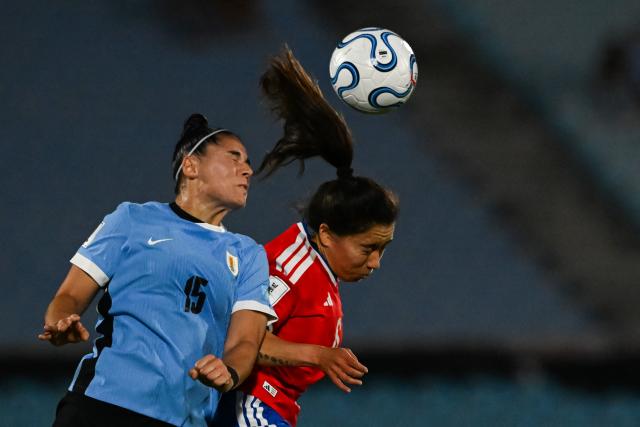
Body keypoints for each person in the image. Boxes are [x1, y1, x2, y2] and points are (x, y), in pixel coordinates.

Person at [38, 114, 277, 427]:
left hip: (179, 419)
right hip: (101, 405)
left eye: (247, 162)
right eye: (234, 158)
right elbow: (68, 296)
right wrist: (59, 323)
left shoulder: (248, 254)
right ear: (191, 167)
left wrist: (229, 371)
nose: (247, 169)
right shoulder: (132, 220)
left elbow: (245, 342)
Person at [212, 48, 398, 427]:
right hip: (248, 405)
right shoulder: (291, 268)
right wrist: (319, 355)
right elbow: (240, 340)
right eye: (368, 248)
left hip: (272, 408)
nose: (376, 262)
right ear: (327, 234)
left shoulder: (316, 268)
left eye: (383, 249)